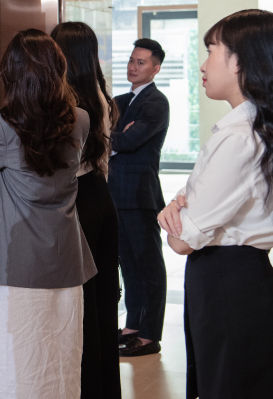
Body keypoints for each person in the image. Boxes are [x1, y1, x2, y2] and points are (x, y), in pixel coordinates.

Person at [159, 9, 273, 399]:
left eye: (212, 50)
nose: (202, 64)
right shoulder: (254, 127)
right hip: (238, 282)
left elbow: (181, 240)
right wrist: (182, 207)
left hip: (229, 286)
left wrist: (177, 211)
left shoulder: (240, 137)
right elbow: (187, 210)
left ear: (242, 61)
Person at [0, 28, 96, 399]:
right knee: (61, 361)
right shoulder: (81, 119)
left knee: (12, 365)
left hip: (17, 266)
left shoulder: (2, 127)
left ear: (12, 74)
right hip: (67, 261)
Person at [51, 22, 121, 399]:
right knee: (101, 300)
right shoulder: (101, 96)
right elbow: (104, 161)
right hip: (100, 198)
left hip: (74, 201)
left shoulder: (65, 103)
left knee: (77, 306)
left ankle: (82, 386)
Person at [109, 38, 169, 357]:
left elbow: (129, 140)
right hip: (115, 193)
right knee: (127, 265)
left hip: (138, 195)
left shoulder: (156, 103)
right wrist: (115, 136)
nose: (133, 66)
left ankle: (149, 335)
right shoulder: (120, 101)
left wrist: (114, 136)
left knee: (148, 265)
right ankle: (132, 326)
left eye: (141, 62)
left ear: (155, 68)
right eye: (131, 60)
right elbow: (105, 136)